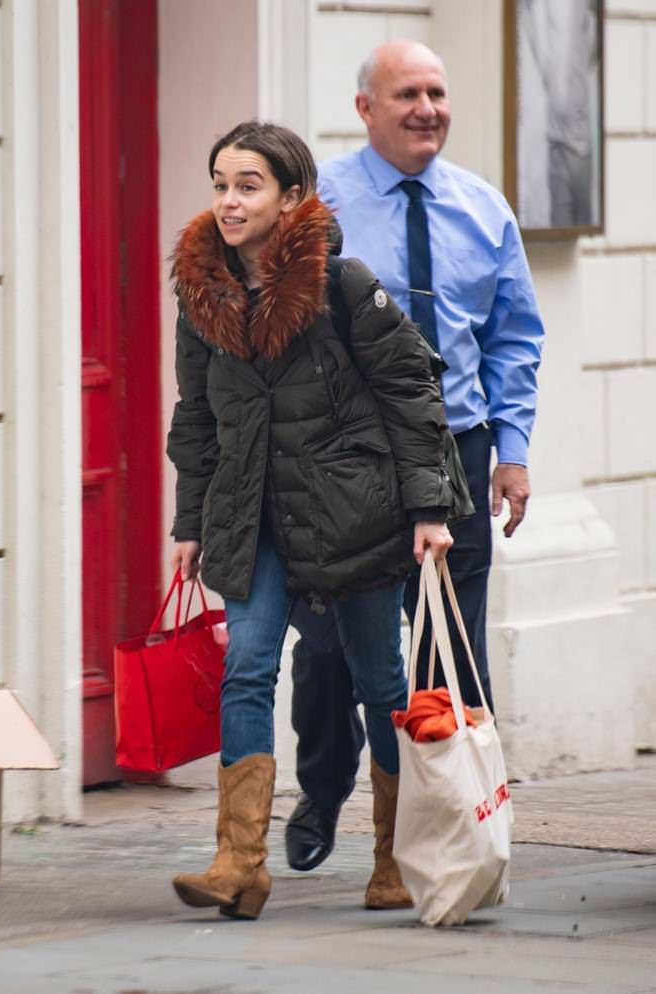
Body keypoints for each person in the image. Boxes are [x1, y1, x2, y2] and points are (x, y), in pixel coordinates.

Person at [166, 120, 472, 920]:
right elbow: (196, 416)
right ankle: (239, 864)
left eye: (248, 185)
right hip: (253, 513)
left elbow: (412, 393)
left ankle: (394, 857)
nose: (230, 202)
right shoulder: (201, 296)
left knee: (379, 683)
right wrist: (190, 523)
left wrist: (429, 508)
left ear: (291, 197)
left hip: (352, 514)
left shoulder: (343, 284)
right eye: (221, 184)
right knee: (249, 666)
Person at [285, 40, 544, 877]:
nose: (427, 108)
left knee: (448, 642)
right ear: (367, 109)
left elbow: (513, 338)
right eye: (407, 94)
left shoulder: (482, 207)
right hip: (347, 459)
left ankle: (446, 833)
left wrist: (513, 451)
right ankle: (323, 786)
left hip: (457, 450)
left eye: (436, 91)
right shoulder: (319, 203)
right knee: (327, 643)